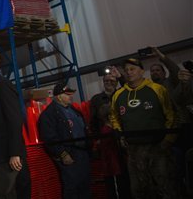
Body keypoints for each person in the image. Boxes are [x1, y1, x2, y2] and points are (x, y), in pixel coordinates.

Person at [110, 58, 179, 199]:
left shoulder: (157, 89)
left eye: (133, 69)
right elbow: (114, 117)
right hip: (134, 150)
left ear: (142, 71)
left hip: (158, 147)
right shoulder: (118, 95)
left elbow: (171, 115)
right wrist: (121, 135)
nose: (129, 72)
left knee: (165, 186)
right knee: (139, 190)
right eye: (127, 69)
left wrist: (168, 140)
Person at [0, 51, 31, 199]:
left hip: (7, 156)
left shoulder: (2, 85)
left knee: (8, 193)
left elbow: (14, 118)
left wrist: (14, 152)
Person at [38, 82, 91, 199]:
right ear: (58, 96)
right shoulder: (48, 115)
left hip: (82, 152)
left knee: (85, 185)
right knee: (72, 187)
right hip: (69, 154)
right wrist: (63, 154)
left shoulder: (74, 110)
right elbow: (49, 137)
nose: (70, 96)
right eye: (67, 94)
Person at [89, 70, 131, 199]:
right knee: (112, 171)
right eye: (106, 81)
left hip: (124, 137)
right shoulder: (96, 99)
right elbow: (93, 121)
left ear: (116, 82)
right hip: (107, 138)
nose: (108, 83)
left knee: (126, 171)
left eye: (111, 81)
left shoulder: (122, 94)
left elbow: (129, 88)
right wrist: (97, 139)